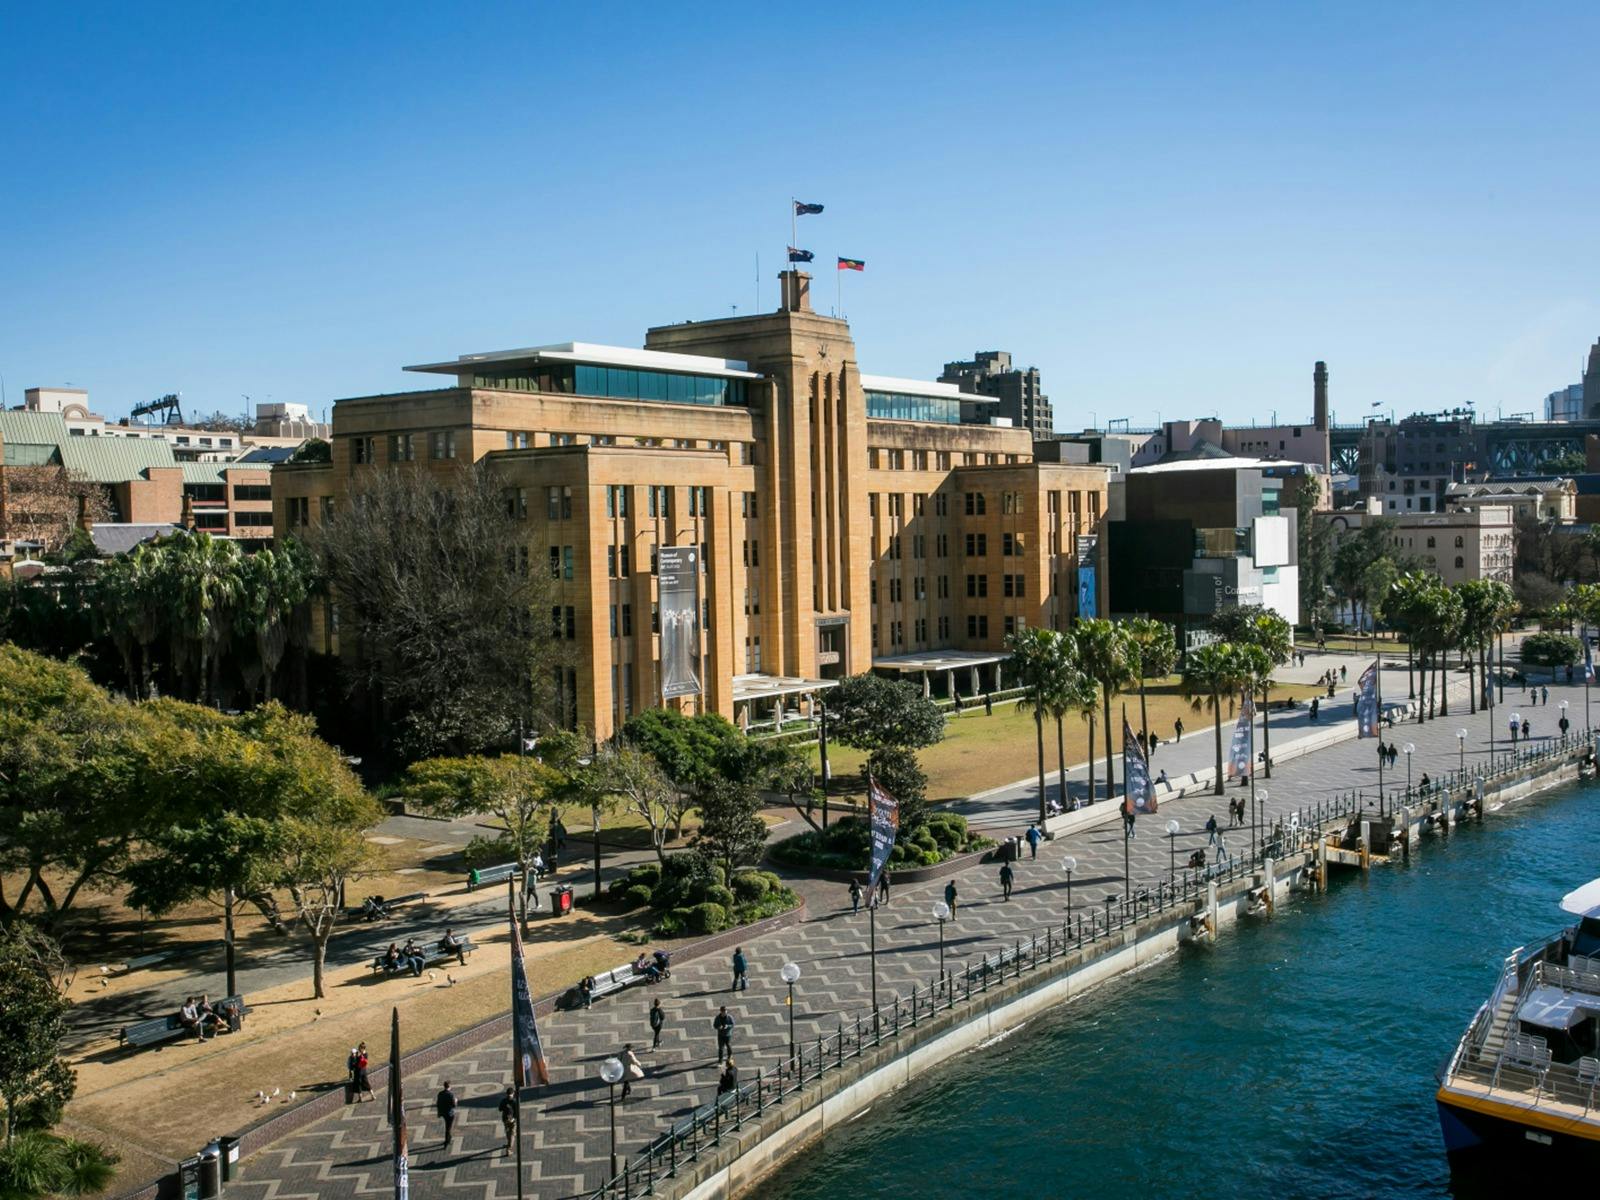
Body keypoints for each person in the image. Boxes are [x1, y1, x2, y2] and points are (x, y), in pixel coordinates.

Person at [435, 1081, 458, 1146]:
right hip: (450, 1113)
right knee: (448, 1127)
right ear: (449, 1086)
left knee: (448, 1125)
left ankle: (449, 1137)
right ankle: (447, 1140)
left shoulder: (440, 1093)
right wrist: (456, 1101)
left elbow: (438, 1104)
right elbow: (454, 1105)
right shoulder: (451, 1094)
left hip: (443, 1112)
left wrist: (439, 1112)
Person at [498, 1085, 519, 1155]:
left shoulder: (504, 1101)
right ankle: (509, 1149)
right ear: (513, 1094)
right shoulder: (515, 1101)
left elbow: (500, 1109)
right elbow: (517, 1112)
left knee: (508, 1132)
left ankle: (508, 1144)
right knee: (512, 1134)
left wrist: (505, 1108)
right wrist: (513, 1118)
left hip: (505, 1119)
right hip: (512, 1120)